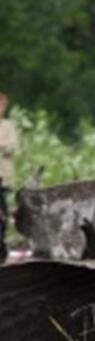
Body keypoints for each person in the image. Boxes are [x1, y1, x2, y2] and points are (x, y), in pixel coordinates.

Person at [0, 93, 16, 264]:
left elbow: (11, 146)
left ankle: (1, 245)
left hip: (3, 176)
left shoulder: (8, 126)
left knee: (3, 212)